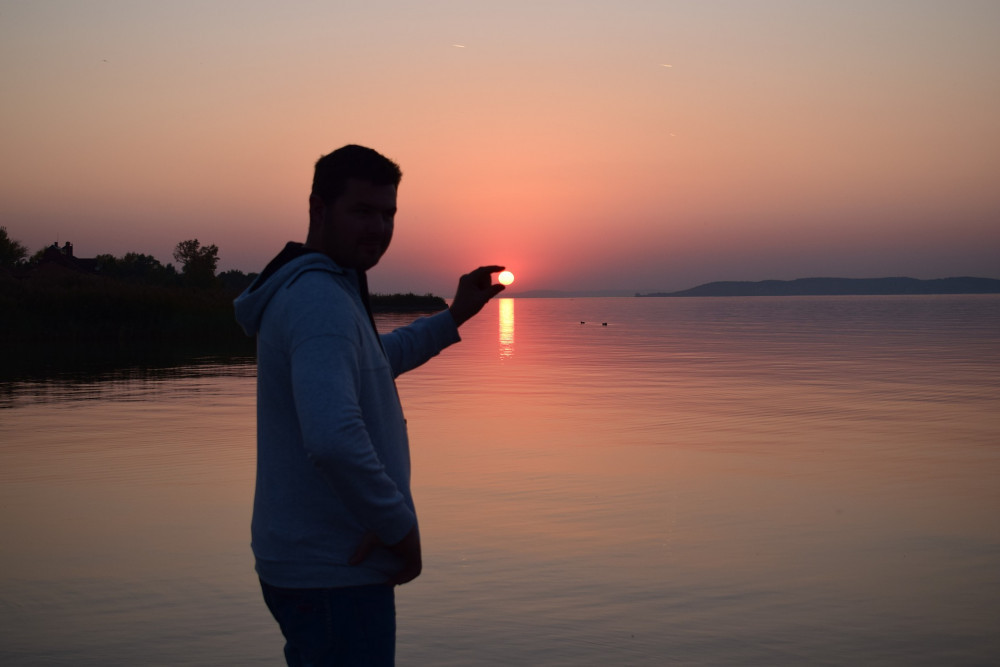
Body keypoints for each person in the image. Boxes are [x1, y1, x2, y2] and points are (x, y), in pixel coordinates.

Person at [233, 144, 504, 665]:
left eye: (388, 214)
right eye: (362, 211)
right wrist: (400, 529)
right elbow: (333, 439)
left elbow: (375, 361)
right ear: (319, 209)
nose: (378, 228)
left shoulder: (324, 289)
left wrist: (454, 316)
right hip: (335, 574)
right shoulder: (318, 299)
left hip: (319, 567)